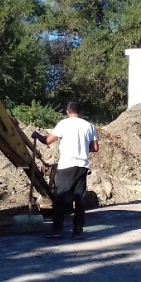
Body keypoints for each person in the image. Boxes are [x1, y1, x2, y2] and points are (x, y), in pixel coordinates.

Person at [32, 102, 99, 239]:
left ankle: (57, 229)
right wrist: (82, 149)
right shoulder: (89, 126)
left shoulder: (64, 124)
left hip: (67, 165)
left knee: (60, 197)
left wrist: (36, 135)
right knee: (79, 198)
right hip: (82, 166)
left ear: (68, 112)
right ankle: (78, 229)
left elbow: (48, 140)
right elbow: (95, 148)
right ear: (79, 112)